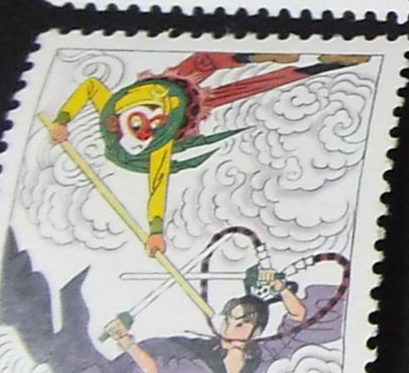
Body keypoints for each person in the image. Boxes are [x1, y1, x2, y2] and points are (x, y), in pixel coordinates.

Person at [0, 233, 343, 373]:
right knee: (73, 363)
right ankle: (47, 305)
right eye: (230, 319)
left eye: (241, 323)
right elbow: (155, 370)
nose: (231, 326)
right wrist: (128, 343)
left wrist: (280, 287)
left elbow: (298, 319)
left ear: (255, 331)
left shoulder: (260, 357)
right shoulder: (200, 362)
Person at [47, 52, 368, 256]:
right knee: (252, 86)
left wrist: (63, 121)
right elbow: (157, 188)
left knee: (205, 61)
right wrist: (156, 231)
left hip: (171, 84)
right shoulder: (159, 149)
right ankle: (328, 64)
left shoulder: (111, 110)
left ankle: (265, 54)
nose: (149, 122)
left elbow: (90, 87)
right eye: (149, 129)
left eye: (143, 120)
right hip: (190, 104)